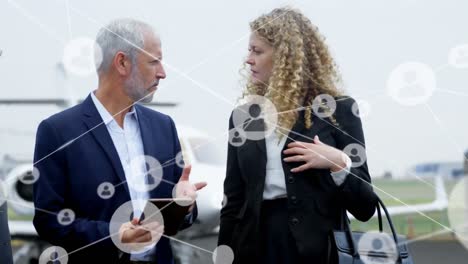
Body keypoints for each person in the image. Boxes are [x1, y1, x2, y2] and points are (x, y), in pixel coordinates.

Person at [33, 18, 206, 263]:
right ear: (122, 63)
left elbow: (175, 219)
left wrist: (184, 205)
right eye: (154, 61)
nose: (163, 73)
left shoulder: (163, 126)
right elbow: (49, 220)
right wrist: (114, 234)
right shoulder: (57, 131)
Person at [218, 7, 377, 264]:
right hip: (255, 249)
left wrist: (338, 162)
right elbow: (233, 202)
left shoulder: (338, 110)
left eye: (257, 51)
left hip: (320, 253)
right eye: (249, 50)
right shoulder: (244, 117)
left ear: (285, 57)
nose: (248, 59)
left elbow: (365, 207)